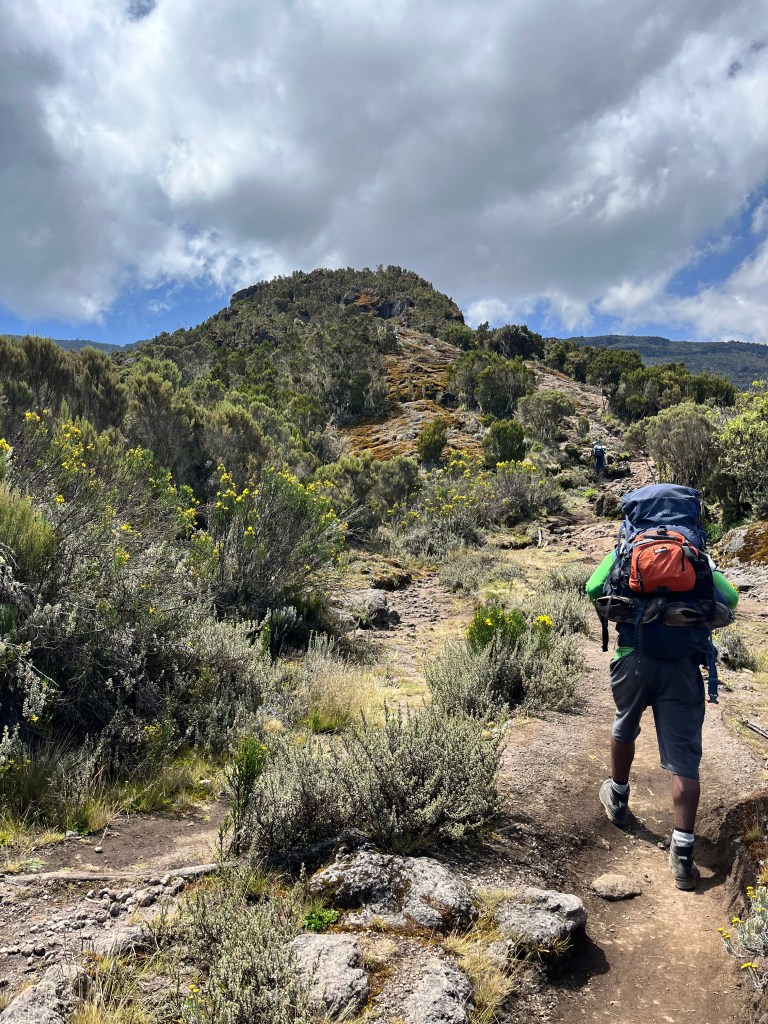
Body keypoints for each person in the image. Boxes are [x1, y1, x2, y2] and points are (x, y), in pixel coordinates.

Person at [585, 484, 739, 890]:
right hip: (683, 666)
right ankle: (683, 856)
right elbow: (731, 599)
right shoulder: (695, 553)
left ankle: (618, 797)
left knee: (625, 724)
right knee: (685, 757)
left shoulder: (625, 549)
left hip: (632, 657)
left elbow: (592, 589)